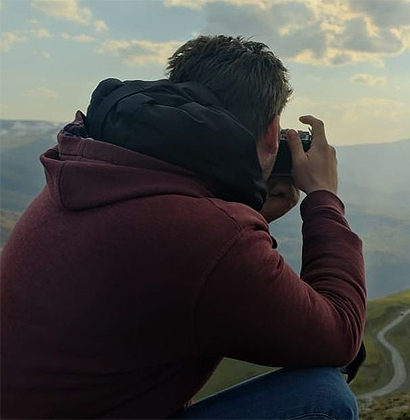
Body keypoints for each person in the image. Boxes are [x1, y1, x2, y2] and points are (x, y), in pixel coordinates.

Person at [0, 35, 367, 419]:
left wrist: (246, 211)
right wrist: (324, 198)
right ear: (274, 132)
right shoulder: (207, 235)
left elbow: (175, 253)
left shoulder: (100, 165)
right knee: (323, 398)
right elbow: (340, 335)